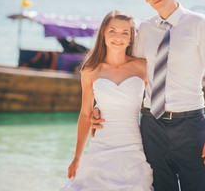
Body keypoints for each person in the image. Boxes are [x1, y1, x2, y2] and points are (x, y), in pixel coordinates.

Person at [91, 0, 205, 191]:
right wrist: (100, 105)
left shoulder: (199, 24)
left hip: (190, 127)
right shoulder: (144, 29)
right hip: (151, 126)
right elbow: (128, 73)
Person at [60, 10, 154, 190]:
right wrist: (77, 157)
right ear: (103, 33)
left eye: (125, 33)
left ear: (131, 38)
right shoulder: (90, 69)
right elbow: (85, 114)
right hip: (101, 146)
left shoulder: (143, 66)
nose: (118, 37)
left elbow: (158, 101)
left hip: (133, 148)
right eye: (112, 31)